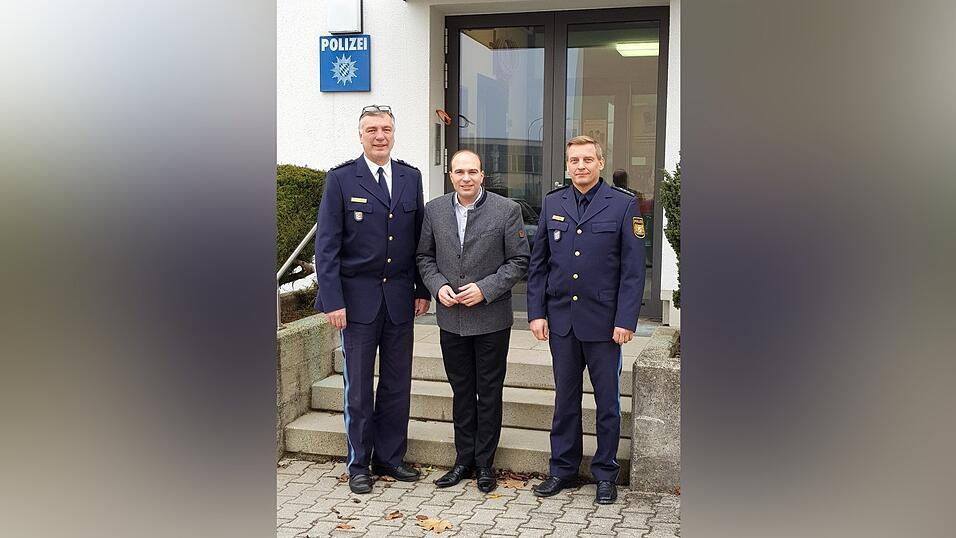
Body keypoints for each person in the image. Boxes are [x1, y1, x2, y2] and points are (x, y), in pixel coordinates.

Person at [313, 104, 431, 494]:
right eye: (372, 130)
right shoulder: (342, 179)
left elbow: (417, 242)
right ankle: (359, 463)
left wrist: (420, 289)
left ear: (394, 133)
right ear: (360, 135)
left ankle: (390, 458)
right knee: (359, 388)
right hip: (356, 303)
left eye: (386, 129)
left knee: (397, 385)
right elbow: (326, 247)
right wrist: (332, 301)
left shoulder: (410, 177)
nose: (380, 136)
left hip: (399, 299)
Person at [526, 135, 646, 504]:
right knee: (565, 399)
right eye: (574, 160)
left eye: (587, 159)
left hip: (605, 323)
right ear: (567, 165)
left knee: (607, 401)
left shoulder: (624, 206)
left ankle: (605, 473)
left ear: (600, 163)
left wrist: (625, 319)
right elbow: (539, 264)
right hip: (562, 320)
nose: (580, 166)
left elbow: (632, 271)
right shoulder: (552, 202)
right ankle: (562, 470)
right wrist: (536, 312)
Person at [416, 150, 530, 493]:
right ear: (450, 175)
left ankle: (484, 464)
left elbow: (519, 261)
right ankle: (462, 460)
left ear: (483, 175)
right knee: (462, 391)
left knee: (489, 392)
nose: (466, 178)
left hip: (492, 319)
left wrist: (485, 288)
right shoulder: (434, 210)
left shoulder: (507, 210)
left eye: (473, 172)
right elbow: (423, 256)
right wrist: (437, 287)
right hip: (451, 320)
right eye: (459, 172)